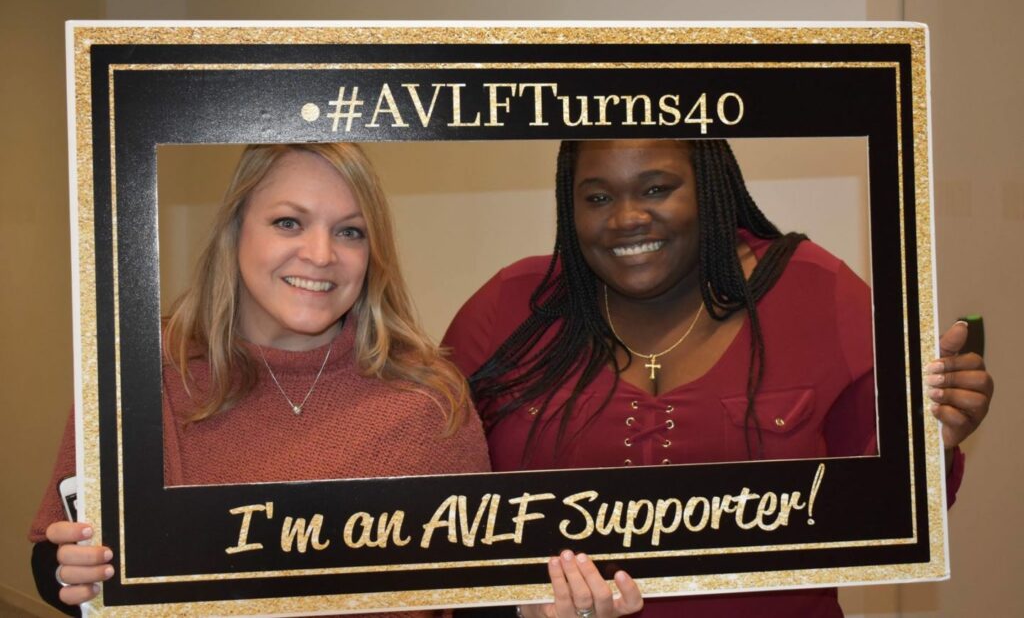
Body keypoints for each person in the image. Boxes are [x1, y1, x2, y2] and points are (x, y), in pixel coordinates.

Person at [443, 139, 994, 618]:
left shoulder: (818, 294)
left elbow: (887, 511)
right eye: (598, 197)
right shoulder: (512, 308)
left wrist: (932, 443)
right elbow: (433, 516)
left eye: (657, 188)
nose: (627, 217)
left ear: (711, 188)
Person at [29, 143, 492, 617]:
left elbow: (477, 596)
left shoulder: (428, 400)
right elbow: (55, 561)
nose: (320, 254)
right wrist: (71, 573)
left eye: (350, 231)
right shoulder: (142, 373)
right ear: (235, 229)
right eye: (288, 222)